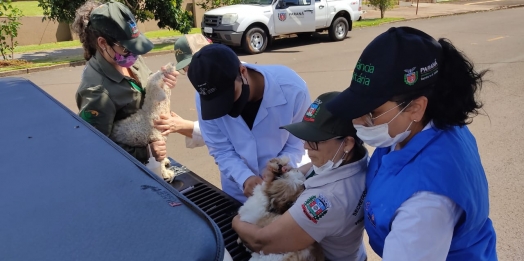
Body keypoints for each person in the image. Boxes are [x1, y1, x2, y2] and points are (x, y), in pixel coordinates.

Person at [326, 26, 498, 260]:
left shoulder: (427, 205)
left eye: (371, 112)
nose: (357, 120)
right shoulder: (414, 127)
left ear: (416, 107)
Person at [232, 91, 368, 261]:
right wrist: (288, 176)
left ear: (347, 142)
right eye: (305, 138)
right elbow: (312, 168)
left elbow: (261, 241)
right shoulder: (355, 158)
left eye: (314, 141)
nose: (305, 147)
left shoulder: (325, 200)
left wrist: (236, 221)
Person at [186, 44, 311, 203]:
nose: (227, 108)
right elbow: (220, 149)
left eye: (230, 96)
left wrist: (278, 168)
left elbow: (298, 143)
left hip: (282, 187)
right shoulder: (204, 99)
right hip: (237, 190)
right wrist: (244, 177)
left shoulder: (293, 89)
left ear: (242, 72)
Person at [73, 0, 178, 165]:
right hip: (131, 168)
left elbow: (146, 82)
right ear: (102, 43)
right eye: (127, 48)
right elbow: (98, 147)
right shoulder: (96, 91)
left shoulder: (125, 57)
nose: (134, 54)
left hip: (152, 160)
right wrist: (145, 152)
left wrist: (161, 81)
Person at [154, 34, 212, 149]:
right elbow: (213, 133)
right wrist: (180, 126)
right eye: (185, 68)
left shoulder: (239, 77)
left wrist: (182, 125)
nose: (189, 72)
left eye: (191, 64)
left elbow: (227, 133)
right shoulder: (201, 93)